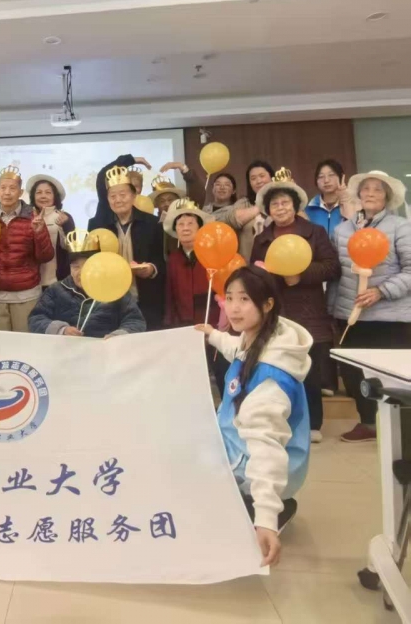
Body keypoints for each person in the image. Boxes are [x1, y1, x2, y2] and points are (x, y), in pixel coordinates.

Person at [197, 266, 312, 568]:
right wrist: (213, 335)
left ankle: (266, 508)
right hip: (238, 445)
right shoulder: (263, 338)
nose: (234, 308)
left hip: (253, 463)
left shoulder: (270, 378)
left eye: (244, 299)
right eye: (229, 298)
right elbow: (237, 349)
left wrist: (266, 520)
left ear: (267, 304)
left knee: (196, 508)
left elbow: (266, 448)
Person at [251, 168, 340, 443]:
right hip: (275, 310)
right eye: (274, 204)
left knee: (309, 368)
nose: (280, 208)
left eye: (285, 203)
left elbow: (332, 267)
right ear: (268, 210)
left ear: (295, 205)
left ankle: (313, 423)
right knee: (278, 367)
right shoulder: (261, 239)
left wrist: (301, 275)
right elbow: (255, 272)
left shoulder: (314, 233)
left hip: (307, 309)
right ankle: (282, 421)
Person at [328, 170, 411, 443]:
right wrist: (333, 311)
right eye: (366, 188)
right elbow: (337, 275)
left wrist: (381, 291)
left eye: (378, 189)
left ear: (387, 196)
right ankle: (368, 424)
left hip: (390, 318)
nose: (371, 193)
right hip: (351, 317)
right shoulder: (341, 230)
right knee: (355, 374)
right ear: (358, 194)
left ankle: (400, 429)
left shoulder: (401, 227)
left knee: (392, 375)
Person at [0, 166, 54, 333]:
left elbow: (45, 256)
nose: (7, 193)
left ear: (21, 192)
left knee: (25, 342)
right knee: (0, 343)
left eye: (12, 188)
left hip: (27, 294)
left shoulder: (34, 217)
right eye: (3, 188)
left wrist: (39, 232)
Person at [88, 165, 166, 330]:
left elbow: (161, 259)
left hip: (145, 298)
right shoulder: (97, 226)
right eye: (112, 196)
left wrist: (151, 269)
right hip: (109, 300)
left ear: (133, 195)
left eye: (123, 195)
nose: (118, 200)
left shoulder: (152, 223)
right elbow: (91, 262)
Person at [28, 230, 146, 338]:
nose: (81, 272)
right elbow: (35, 319)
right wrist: (62, 330)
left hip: (105, 349)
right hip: (66, 349)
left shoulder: (115, 288)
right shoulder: (56, 290)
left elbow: (135, 321)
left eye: (87, 266)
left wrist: (118, 336)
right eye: (76, 267)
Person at [162, 198, 226, 395]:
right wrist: (171, 323)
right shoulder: (173, 258)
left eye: (190, 223)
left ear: (200, 228)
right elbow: (170, 293)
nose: (185, 228)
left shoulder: (213, 253)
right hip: (184, 324)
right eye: (180, 224)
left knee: (220, 371)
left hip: (212, 322)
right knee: (191, 376)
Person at [218, 160, 275, 261]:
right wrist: (260, 206)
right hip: (249, 264)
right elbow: (230, 220)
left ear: (272, 177)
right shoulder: (244, 203)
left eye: (262, 176)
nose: (258, 181)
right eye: (253, 178)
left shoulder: (284, 201)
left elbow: (302, 221)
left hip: (280, 263)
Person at [27, 174, 76, 287]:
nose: (43, 196)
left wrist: (66, 225)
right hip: (31, 282)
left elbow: (71, 247)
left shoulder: (64, 217)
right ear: (33, 196)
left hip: (57, 281)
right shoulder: (26, 217)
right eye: (39, 192)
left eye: (48, 192)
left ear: (55, 196)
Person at [305, 159, 357, 238]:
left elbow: (357, 230)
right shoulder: (309, 210)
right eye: (321, 177)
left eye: (331, 175)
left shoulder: (354, 206)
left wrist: (346, 203)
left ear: (341, 177)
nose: (326, 180)